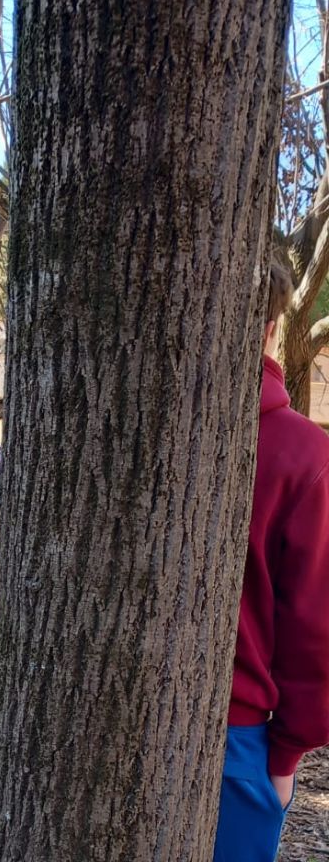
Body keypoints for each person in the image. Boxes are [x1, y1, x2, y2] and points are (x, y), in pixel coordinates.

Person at [213, 257, 329, 861]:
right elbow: (313, 620)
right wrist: (287, 753)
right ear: (269, 325)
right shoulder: (305, 452)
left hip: (236, 730)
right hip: (239, 734)